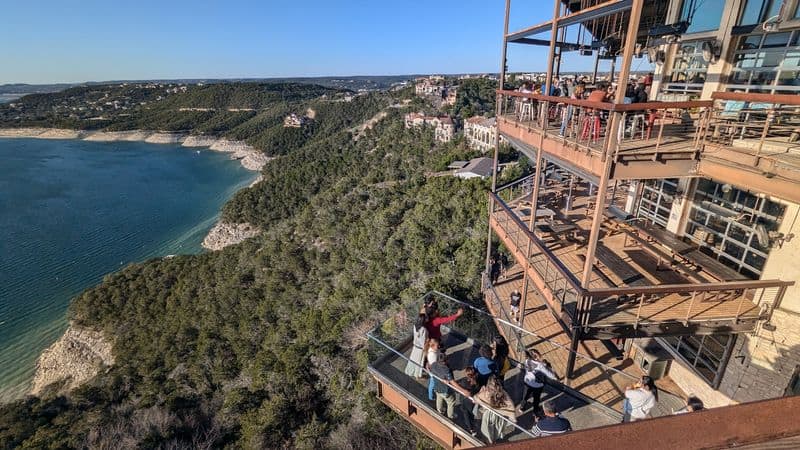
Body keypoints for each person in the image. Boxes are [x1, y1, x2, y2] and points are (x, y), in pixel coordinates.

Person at [474, 375, 517, 443]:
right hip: (499, 416)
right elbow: (510, 407)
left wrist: (481, 391)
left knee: (487, 430)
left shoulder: (486, 392)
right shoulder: (503, 394)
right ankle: (493, 441)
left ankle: (489, 442)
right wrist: (512, 417)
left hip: (488, 415)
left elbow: (476, 398)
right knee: (496, 429)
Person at [519, 349, 558, 415]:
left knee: (525, 396)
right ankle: (535, 410)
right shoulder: (540, 365)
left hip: (527, 382)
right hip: (537, 385)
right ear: (536, 357)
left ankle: (522, 407)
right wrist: (555, 377)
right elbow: (550, 375)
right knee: (536, 398)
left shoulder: (527, 360)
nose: (540, 355)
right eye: (538, 354)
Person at [429, 350, 465, 420]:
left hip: (437, 387)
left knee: (439, 398)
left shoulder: (433, 365)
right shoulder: (446, 370)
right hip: (445, 390)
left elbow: (430, 369)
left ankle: (440, 410)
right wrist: (463, 390)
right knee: (451, 402)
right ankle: (450, 415)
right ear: (445, 361)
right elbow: (452, 381)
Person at [458, 367, 482, 435]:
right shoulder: (476, 383)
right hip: (471, 402)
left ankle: (471, 428)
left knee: (466, 414)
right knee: (470, 413)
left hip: (463, 399)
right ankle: (471, 426)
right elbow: (477, 391)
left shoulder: (463, 381)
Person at [404, 313, 428, 378]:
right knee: (419, 362)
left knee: (412, 360)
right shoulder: (424, 330)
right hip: (420, 348)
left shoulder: (415, 326)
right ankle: (417, 375)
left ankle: (410, 371)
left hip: (415, 346)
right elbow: (425, 340)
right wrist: (425, 349)